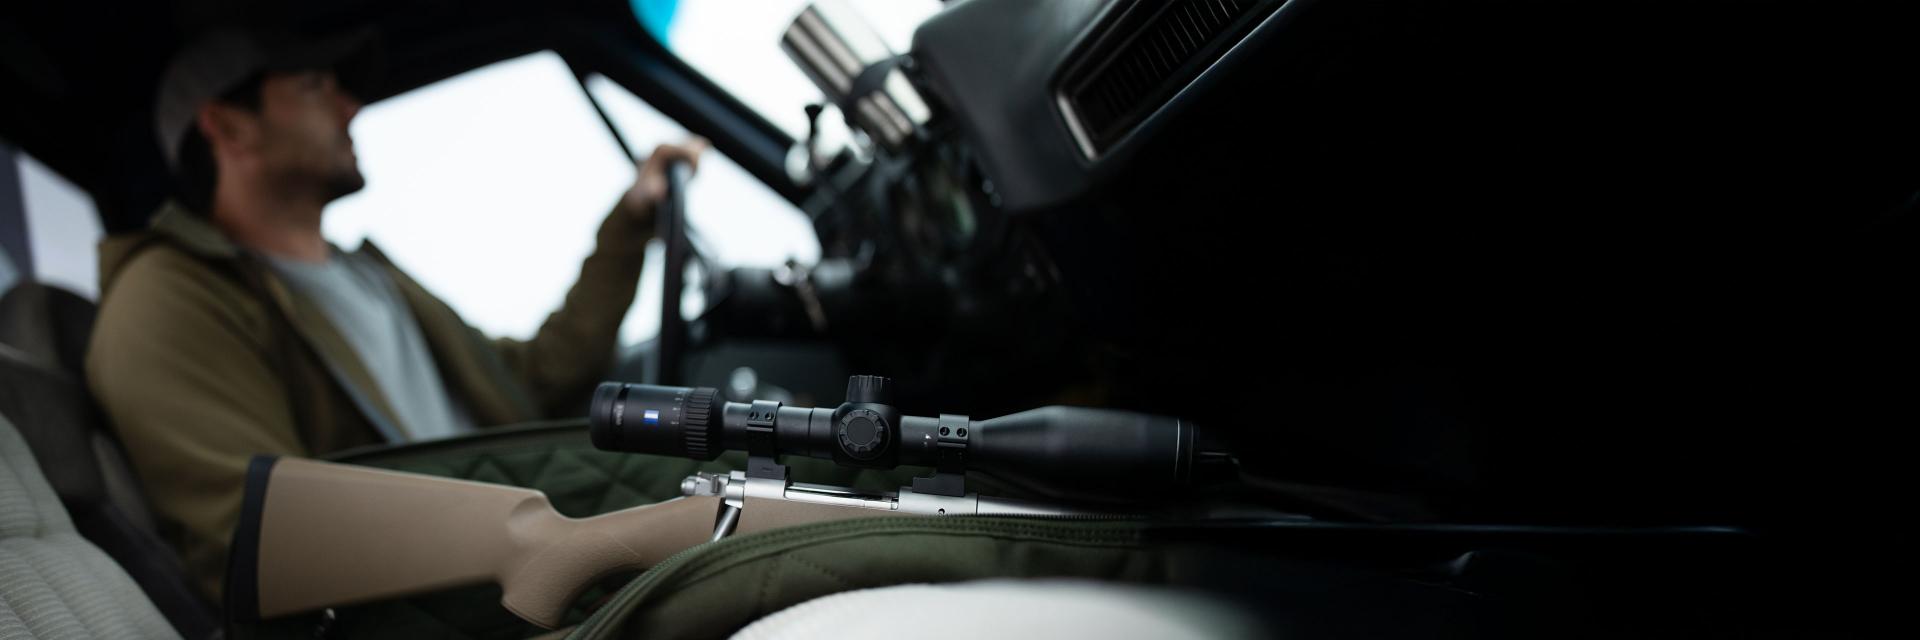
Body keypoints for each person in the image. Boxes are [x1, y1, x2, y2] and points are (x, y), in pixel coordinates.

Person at [85, 27, 705, 598]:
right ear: (228, 126)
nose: (349, 106)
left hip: (546, 559)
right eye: (313, 87)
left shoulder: (370, 276)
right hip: (477, 598)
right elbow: (263, 542)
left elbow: (534, 377)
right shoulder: (168, 296)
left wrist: (628, 226)